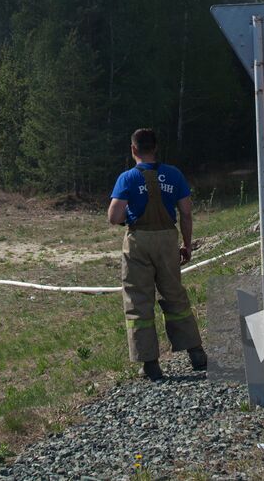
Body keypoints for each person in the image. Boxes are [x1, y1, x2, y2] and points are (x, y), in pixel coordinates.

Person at [107, 128, 205, 380]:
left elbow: (114, 217)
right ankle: (196, 353)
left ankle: (150, 364)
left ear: (133, 150)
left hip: (138, 241)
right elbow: (185, 212)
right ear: (156, 148)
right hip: (167, 240)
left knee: (138, 300)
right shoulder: (174, 174)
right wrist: (186, 244)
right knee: (175, 294)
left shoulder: (127, 178)